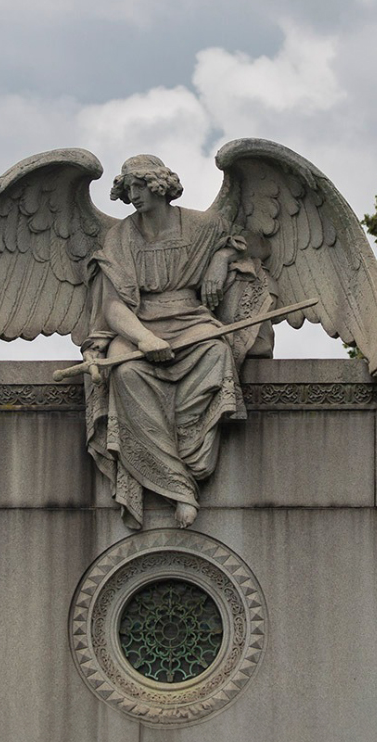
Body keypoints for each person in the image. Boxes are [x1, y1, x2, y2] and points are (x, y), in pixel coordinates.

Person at [82, 155, 270, 530]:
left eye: (139, 187)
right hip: (138, 325)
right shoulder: (119, 236)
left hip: (190, 320)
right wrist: (144, 338)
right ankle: (178, 486)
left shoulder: (203, 226)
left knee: (217, 353)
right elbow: (113, 306)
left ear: (158, 185)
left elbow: (254, 244)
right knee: (127, 372)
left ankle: (186, 447)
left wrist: (222, 256)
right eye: (128, 188)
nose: (133, 196)